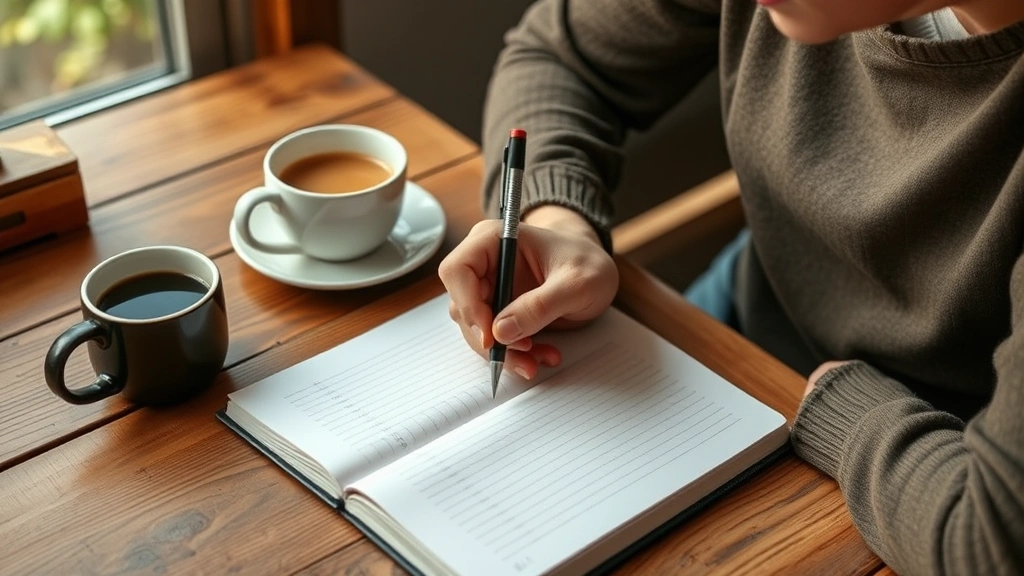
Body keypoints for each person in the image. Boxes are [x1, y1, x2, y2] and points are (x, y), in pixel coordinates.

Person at [438, 0, 1024, 574]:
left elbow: (989, 544)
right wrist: (558, 224)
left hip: (928, 452)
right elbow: (558, 52)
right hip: (743, 321)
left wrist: (837, 397)